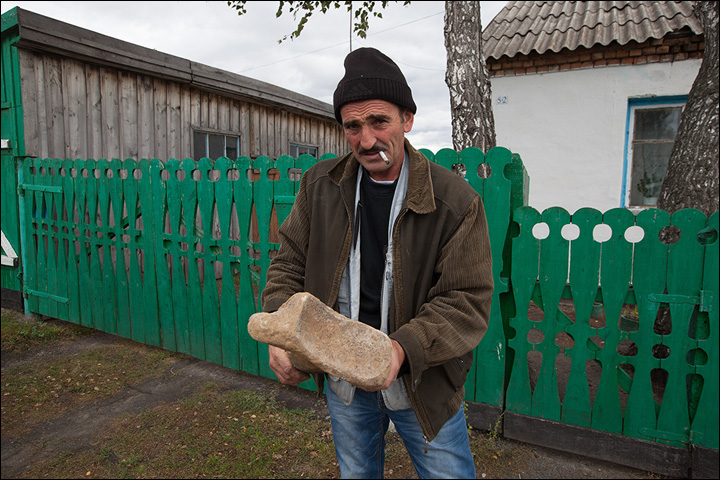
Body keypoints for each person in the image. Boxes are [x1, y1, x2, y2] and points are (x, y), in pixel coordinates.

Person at [261, 47, 493, 479]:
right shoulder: (320, 186)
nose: (366, 140)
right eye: (353, 126)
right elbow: (288, 263)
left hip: (420, 382)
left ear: (407, 119)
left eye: (379, 122)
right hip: (343, 381)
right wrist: (281, 328)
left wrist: (400, 350)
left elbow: (466, 300)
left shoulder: (455, 202)